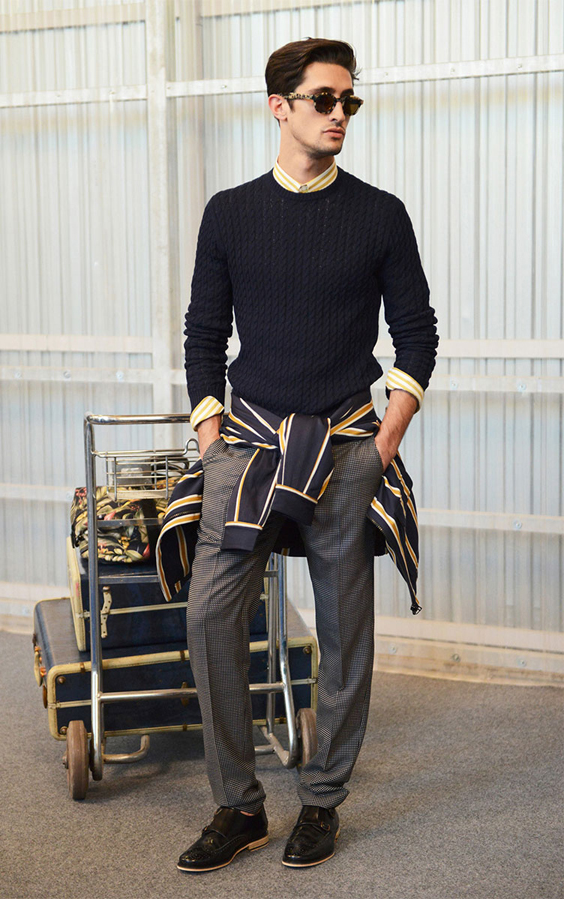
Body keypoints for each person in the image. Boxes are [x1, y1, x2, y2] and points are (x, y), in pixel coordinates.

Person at [162, 37, 438, 872]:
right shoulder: (229, 213)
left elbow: (417, 333)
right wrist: (210, 439)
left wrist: (385, 439)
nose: (340, 113)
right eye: (324, 99)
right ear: (279, 107)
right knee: (210, 613)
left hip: (347, 444)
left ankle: (321, 799)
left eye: (350, 100)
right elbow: (203, 334)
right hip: (246, 445)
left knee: (345, 631)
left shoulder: (381, 214)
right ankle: (240, 805)